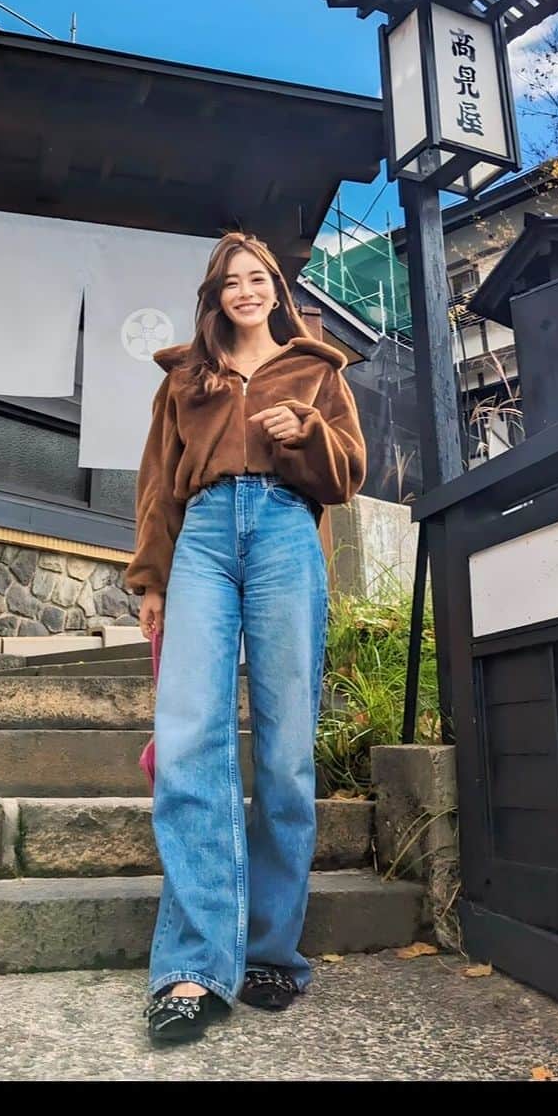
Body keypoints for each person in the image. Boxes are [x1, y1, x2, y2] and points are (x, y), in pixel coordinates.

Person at [125, 231, 366, 1047]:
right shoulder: (184, 378)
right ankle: (193, 966)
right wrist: (151, 579)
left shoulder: (317, 370)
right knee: (190, 736)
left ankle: (269, 951)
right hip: (201, 536)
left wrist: (307, 431)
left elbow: (347, 474)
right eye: (231, 281)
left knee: (287, 748)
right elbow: (157, 484)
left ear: (276, 289)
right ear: (215, 296)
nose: (246, 290)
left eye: (257, 278)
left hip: (285, 532)